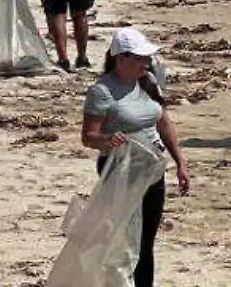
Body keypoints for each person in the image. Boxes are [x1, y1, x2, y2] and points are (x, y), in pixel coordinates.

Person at [80, 27, 193, 287]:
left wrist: (181, 163)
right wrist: (107, 140)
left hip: (153, 173)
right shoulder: (102, 91)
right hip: (121, 173)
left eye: (146, 57)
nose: (146, 62)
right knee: (122, 240)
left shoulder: (148, 82)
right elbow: (88, 136)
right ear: (121, 58)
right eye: (140, 58)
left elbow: (164, 122)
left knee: (146, 241)